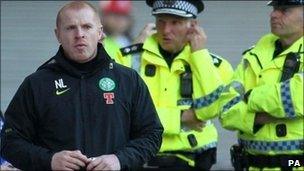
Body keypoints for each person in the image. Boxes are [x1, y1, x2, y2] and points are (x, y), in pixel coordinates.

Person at [0, 1, 163, 170]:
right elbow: (10, 141)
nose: (79, 34)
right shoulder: (36, 84)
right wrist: (50, 160)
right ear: (58, 35)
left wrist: (119, 160)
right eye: (70, 28)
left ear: (100, 32)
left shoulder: (128, 80)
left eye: (87, 27)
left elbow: (152, 134)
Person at [120, 0, 233, 170]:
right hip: (139, 158)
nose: (166, 30)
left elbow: (211, 110)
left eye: (175, 23)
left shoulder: (217, 66)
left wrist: (200, 56)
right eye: (161, 21)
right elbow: (119, 114)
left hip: (193, 159)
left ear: (193, 25)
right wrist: (179, 118)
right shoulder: (127, 59)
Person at [219, 0, 303, 170]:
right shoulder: (253, 54)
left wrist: (250, 97)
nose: (273, 14)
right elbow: (225, 110)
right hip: (251, 165)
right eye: (274, 9)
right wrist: (264, 115)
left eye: (284, 10)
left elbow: (297, 98)